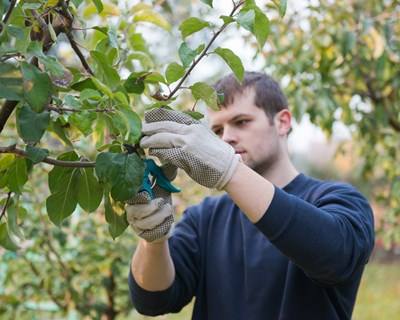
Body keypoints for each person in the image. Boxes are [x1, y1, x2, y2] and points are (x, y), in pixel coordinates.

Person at [126, 71, 375, 319]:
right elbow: (153, 300)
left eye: (242, 121)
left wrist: (230, 171)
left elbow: (335, 256)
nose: (227, 137)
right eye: (217, 130)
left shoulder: (340, 200)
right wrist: (153, 241)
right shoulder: (205, 218)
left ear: (283, 122)